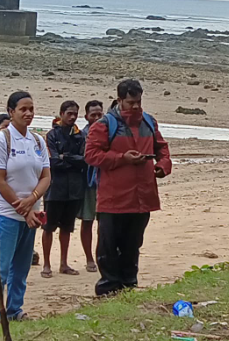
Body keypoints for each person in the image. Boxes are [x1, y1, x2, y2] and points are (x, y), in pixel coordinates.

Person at [84, 80, 171, 296]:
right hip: (113, 199)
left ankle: (129, 285)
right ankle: (109, 287)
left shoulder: (149, 122)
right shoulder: (103, 125)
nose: (135, 107)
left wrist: (162, 166)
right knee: (108, 246)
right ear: (120, 100)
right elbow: (91, 155)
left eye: (138, 102)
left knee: (133, 245)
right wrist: (123, 158)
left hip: (143, 197)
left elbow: (162, 148)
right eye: (131, 102)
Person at [0, 91, 50, 323]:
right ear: (11, 112)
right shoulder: (1, 140)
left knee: (21, 267)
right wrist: (23, 208)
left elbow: (45, 176)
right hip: (6, 214)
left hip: (31, 213)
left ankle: (14, 309)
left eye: (31, 109)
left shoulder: (37, 141)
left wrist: (32, 200)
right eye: (23, 109)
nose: (28, 113)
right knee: (0, 267)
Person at [41, 101, 87, 278]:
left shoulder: (79, 136)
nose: (72, 116)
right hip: (55, 187)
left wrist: (65, 157)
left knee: (67, 227)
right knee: (48, 227)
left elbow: (84, 160)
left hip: (74, 188)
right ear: (61, 114)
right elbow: (52, 161)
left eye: (75, 113)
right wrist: (70, 160)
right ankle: (46, 264)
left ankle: (64, 263)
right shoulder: (52, 135)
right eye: (69, 113)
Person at [78, 100, 105, 273]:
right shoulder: (81, 136)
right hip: (88, 184)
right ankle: (89, 258)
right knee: (87, 221)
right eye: (92, 114)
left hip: (106, 183)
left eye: (99, 114)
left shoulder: (108, 133)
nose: (96, 117)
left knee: (105, 223)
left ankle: (103, 256)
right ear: (86, 116)